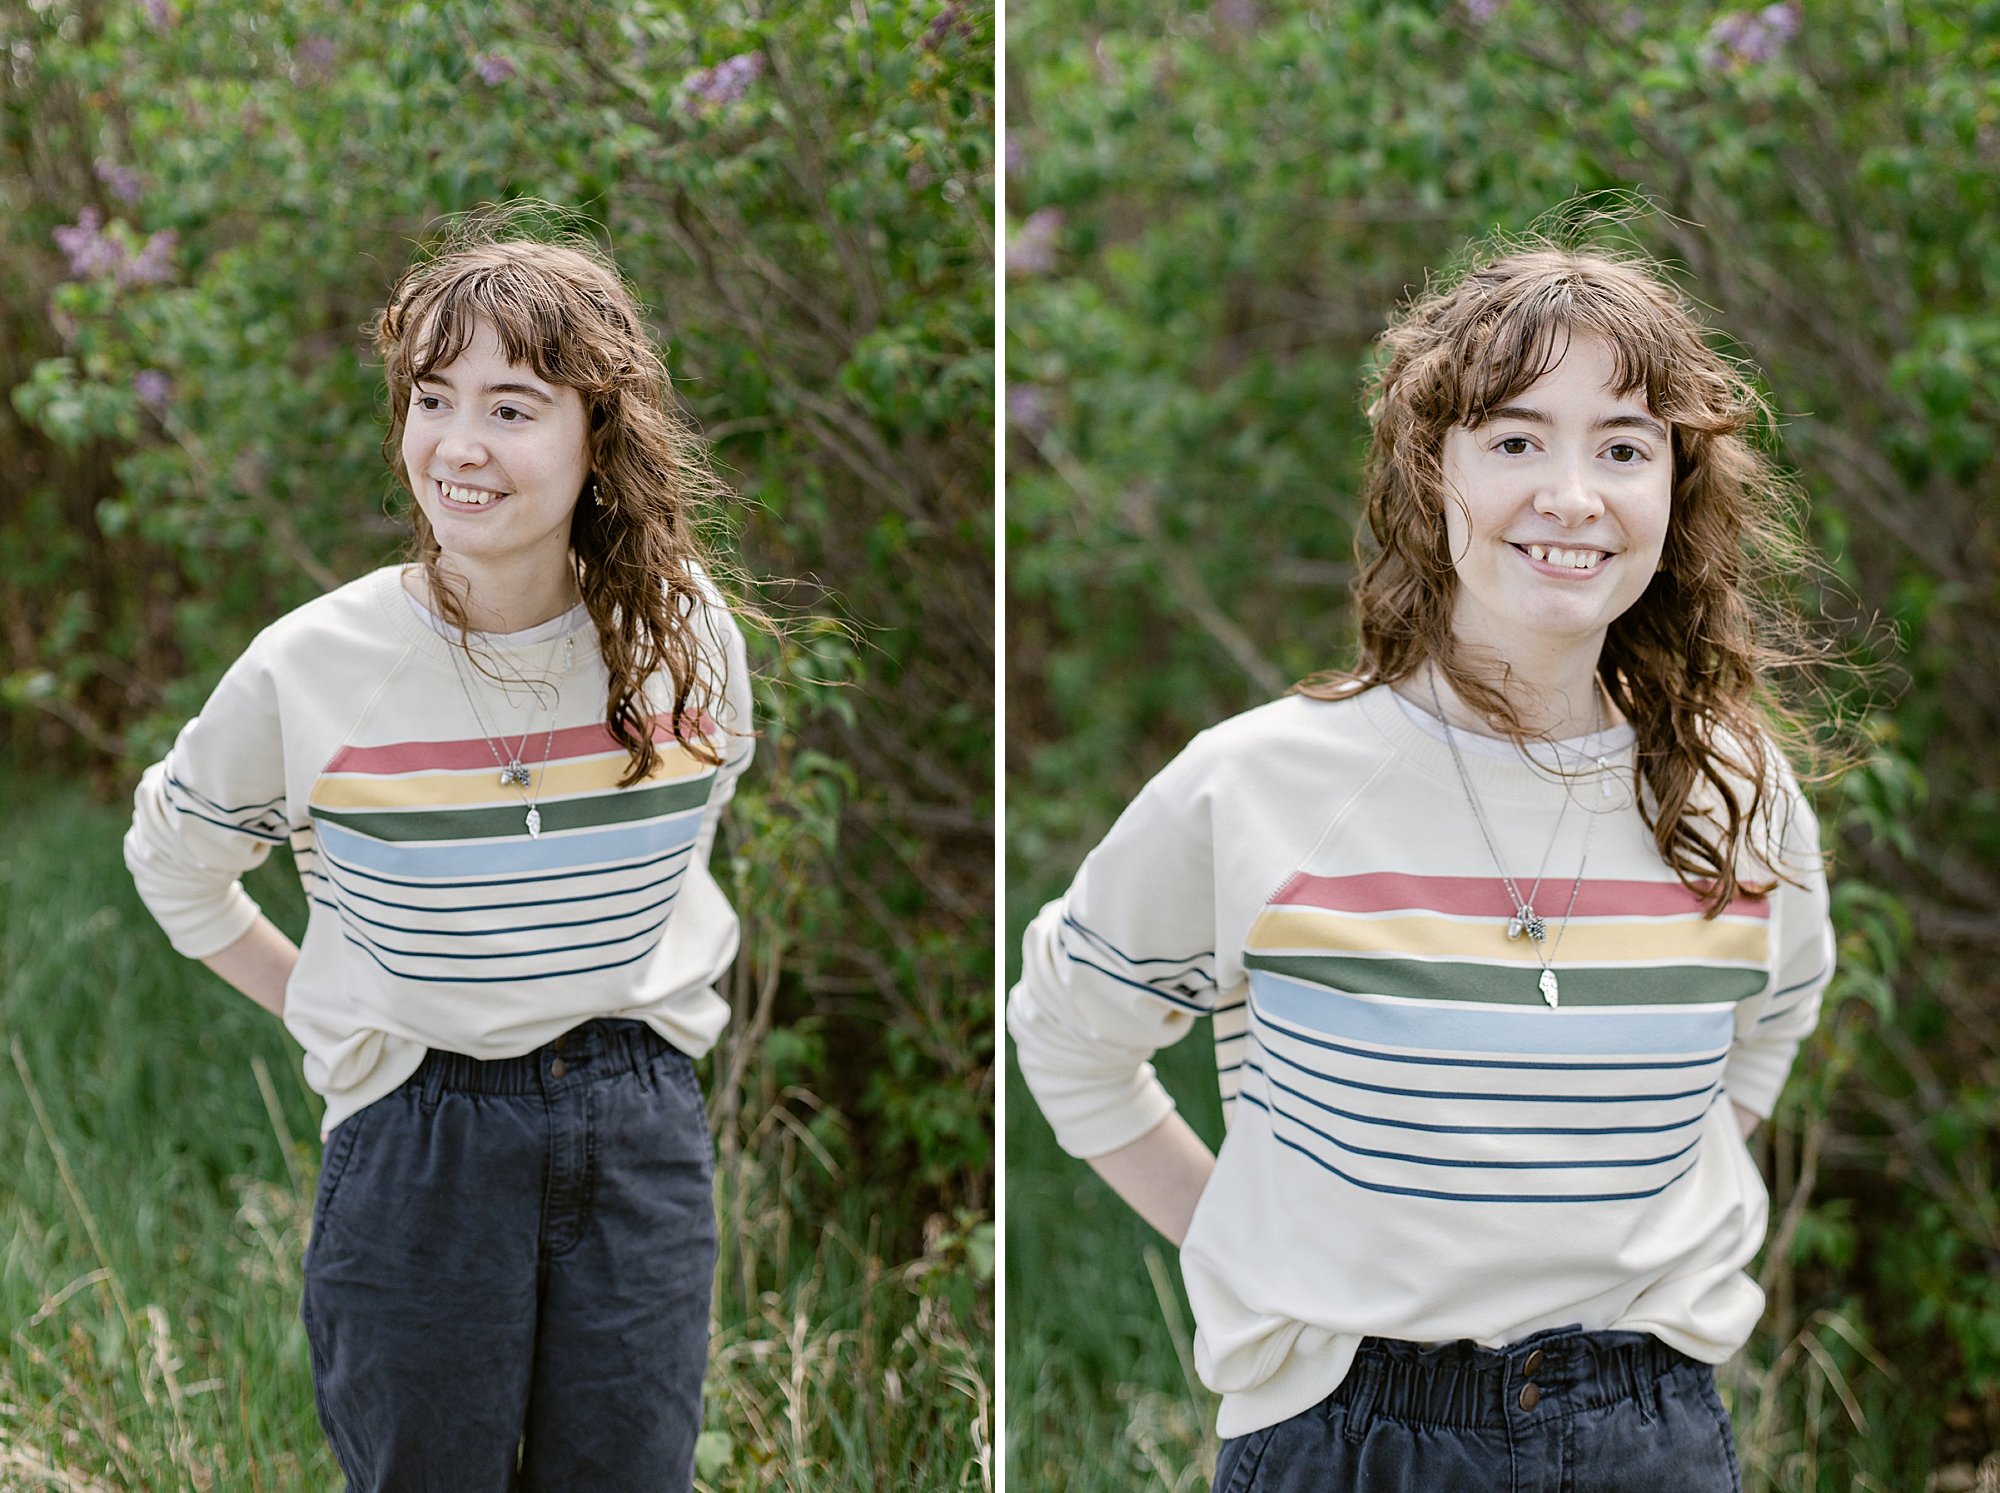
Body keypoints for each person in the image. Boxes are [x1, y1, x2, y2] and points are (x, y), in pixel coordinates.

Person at [1009, 245, 1837, 1492]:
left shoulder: (1737, 796)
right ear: (1426, 469)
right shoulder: (1259, 783)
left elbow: (1768, 1025)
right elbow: (1069, 1035)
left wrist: (1641, 1213)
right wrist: (1244, 1235)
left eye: (1621, 446)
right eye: (1512, 442)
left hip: (1649, 1432)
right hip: (1351, 1434)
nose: (1571, 494)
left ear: (1675, 488)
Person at [124, 224, 753, 1491]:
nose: (456, 445)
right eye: (430, 398)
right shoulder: (314, 663)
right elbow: (174, 862)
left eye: (510, 405)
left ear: (599, 434)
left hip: (636, 1122)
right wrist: (338, 1001)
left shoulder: (686, 637)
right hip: (419, 1132)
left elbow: (674, 854)